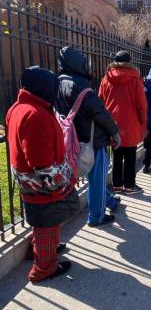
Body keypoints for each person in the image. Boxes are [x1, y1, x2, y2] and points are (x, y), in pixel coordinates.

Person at [6, 66, 80, 283]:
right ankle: (43, 269)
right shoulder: (34, 114)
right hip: (41, 183)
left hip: (29, 180)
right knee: (47, 220)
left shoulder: (20, 107)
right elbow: (41, 163)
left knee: (45, 221)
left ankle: (41, 251)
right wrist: (62, 183)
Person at [56, 46, 120, 227]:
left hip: (71, 140)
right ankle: (96, 216)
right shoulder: (81, 85)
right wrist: (115, 134)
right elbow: (100, 112)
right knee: (97, 178)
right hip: (92, 141)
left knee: (94, 177)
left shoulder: (58, 82)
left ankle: (109, 201)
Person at [99, 51, 147, 195]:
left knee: (116, 156)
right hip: (131, 124)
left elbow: (100, 102)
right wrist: (144, 123)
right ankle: (129, 186)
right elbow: (142, 105)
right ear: (129, 62)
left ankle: (117, 185)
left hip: (112, 124)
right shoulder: (135, 79)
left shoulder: (105, 79)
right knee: (130, 157)